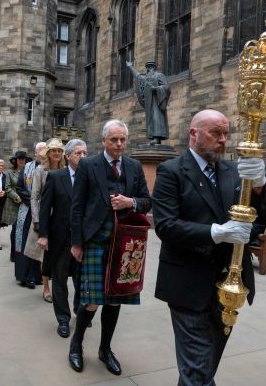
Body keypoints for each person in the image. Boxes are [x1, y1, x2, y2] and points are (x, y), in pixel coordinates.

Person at [152, 109, 266, 386]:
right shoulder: (171, 171)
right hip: (188, 284)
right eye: (215, 133)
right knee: (198, 371)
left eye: (225, 134)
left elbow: (262, 218)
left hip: (228, 286)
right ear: (194, 133)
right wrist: (216, 232)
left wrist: (259, 186)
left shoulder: (233, 171)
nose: (223, 140)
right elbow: (166, 226)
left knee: (205, 366)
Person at [68, 120, 151, 375]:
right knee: (91, 300)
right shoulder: (89, 165)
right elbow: (77, 206)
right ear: (104, 141)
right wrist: (76, 242)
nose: (119, 144)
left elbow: (147, 202)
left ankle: (105, 349)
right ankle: (76, 345)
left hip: (125, 245)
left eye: (122, 140)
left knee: (115, 300)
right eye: (114, 139)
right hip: (95, 240)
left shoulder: (135, 167)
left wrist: (130, 202)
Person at [38, 139, 87, 338]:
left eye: (85, 153)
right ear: (68, 156)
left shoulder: (90, 177)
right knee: (59, 280)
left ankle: (80, 311)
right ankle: (63, 320)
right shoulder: (56, 177)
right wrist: (43, 234)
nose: (83, 157)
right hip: (60, 238)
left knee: (81, 279)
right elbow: (45, 207)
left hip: (83, 239)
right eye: (78, 153)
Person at [25, 138, 65, 303]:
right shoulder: (40, 170)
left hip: (61, 216)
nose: (56, 153)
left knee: (60, 253)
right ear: (48, 153)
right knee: (44, 254)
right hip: (44, 215)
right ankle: (46, 288)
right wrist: (36, 220)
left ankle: (59, 287)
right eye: (53, 150)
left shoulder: (66, 169)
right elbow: (34, 197)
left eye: (59, 150)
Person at [14, 142, 46, 287]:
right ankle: (26, 276)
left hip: (45, 211)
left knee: (39, 244)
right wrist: (33, 202)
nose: (43, 153)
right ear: (35, 153)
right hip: (27, 211)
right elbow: (20, 187)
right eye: (41, 151)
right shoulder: (27, 167)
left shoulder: (50, 167)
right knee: (26, 242)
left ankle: (39, 275)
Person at [127, 61, 171, 145]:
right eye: (147, 68)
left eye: (150, 67)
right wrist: (131, 67)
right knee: (151, 119)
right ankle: (153, 137)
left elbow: (167, 87)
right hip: (149, 103)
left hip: (157, 102)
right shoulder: (146, 79)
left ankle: (157, 137)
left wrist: (156, 89)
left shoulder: (159, 76)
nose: (148, 69)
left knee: (156, 118)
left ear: (154, 68)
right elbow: (138, 76)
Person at [2, 151, 30, 261]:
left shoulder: (28, 172)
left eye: (23, 159)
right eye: (19, 159)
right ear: (16, 160)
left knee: (24, 229)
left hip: (26, 204)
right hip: (14, 205)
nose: (21, 161)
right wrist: (16, 197)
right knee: (15, 230)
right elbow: (7, 187)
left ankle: (23, 252)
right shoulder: (10, 172)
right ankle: (13, 252)